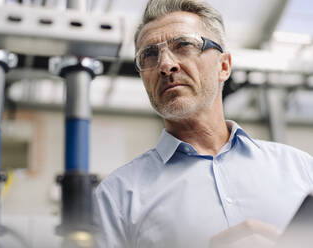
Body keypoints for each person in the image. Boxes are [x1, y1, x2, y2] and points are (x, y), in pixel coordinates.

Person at [93, 0, 313, 247]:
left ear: (224, 66)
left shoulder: (301, 170)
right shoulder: (117, 196)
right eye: (150, 55)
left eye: (184, 45)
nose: (165, 65)